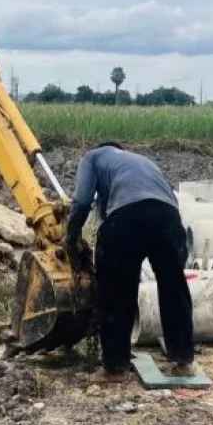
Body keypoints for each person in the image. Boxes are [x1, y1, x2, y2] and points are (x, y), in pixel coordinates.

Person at [64, 142, 196, 383]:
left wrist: (70, 237)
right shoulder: (144, 162)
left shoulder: (93, 157)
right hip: (168, 218)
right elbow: (167, 199)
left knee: (116, 291)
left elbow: (82, 201)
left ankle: (115, 367)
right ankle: (184, 360)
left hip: (127, 218)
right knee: (174, 288)